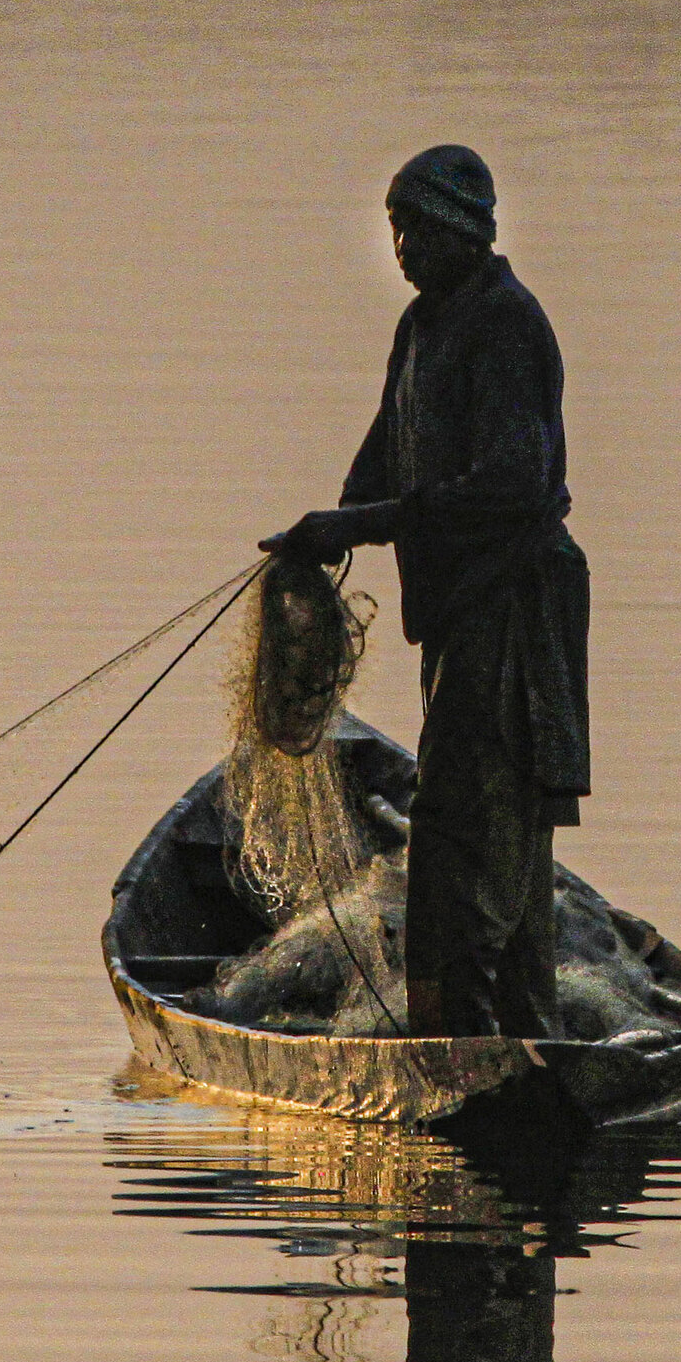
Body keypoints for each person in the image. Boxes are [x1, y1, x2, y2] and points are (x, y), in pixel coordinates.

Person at [262, 145, 589, 1040]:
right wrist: (324, 533)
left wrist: (369, 525)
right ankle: (516, 1036)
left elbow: (512, 485)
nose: (401, 246)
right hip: (455, 615)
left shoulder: (506, 326)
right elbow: (383, 455)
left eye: (414, 229)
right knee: (483, 824)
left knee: (463, 829)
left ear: (463, 232)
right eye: (393, 229)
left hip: (513, 608)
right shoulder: (422, 328)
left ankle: (467, 1045)